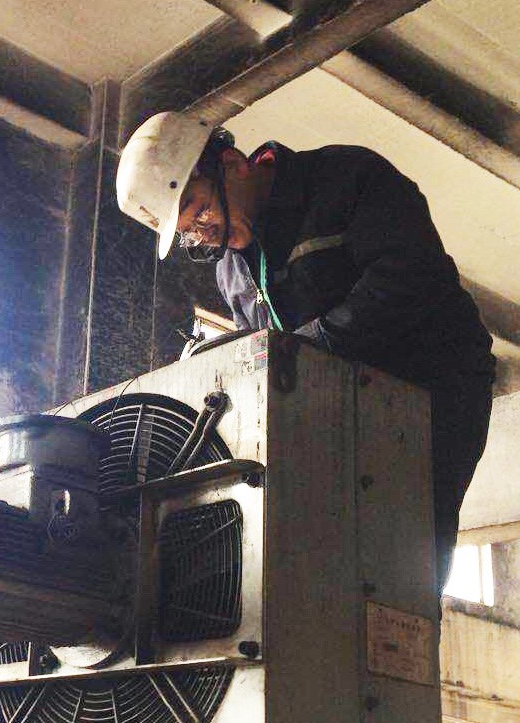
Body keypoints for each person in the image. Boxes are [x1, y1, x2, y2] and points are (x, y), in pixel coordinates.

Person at [117, 111, 495, 595]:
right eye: (189, 230)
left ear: (231, 164)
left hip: (435, 386)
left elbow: (409, 275)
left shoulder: (346, 178)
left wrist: (307, 346)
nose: (203, 232)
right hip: (344, 402)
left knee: (409, 553)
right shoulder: (231, 273)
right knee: (321, 561)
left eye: (201, 209)